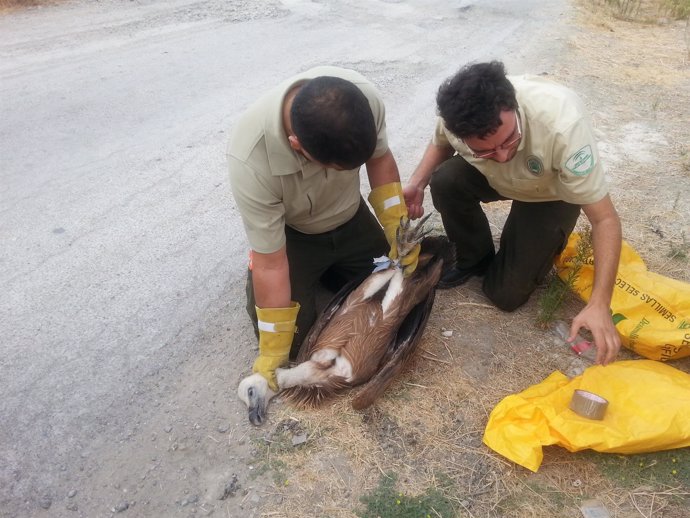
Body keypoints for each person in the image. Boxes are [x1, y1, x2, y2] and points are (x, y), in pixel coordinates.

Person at [403, 61, 622, 365]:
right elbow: (440, 142)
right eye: (486, 149)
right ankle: (474, 257)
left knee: (504, 295)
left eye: (509, 140)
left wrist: (600, 303)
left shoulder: (562, 124)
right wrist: (417, 181)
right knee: (445, 179)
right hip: (494, 179)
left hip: (549, 190)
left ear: (515, 108)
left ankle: (524, 250)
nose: (503, 156)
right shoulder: (457, 121)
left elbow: (605, 219)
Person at [228, 66, 419, 391]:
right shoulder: (251, 161)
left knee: (395, 289)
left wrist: (397, 229)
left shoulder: (362, 99)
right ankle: (320, 270)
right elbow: (272, 263)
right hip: (294, 236)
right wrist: (272, 357)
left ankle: (333, 269)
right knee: (292, 346)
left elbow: (379, 160)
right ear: (296, 145)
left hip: (349, 217)